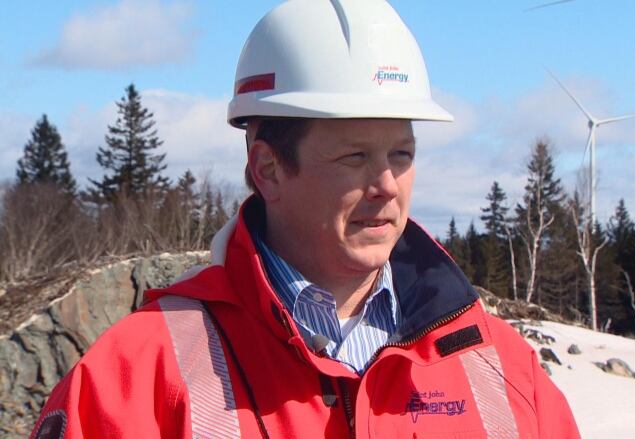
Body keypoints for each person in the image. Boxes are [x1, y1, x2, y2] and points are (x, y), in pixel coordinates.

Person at [31, 1, 580, 437]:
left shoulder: (499, 364)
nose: (387, 184)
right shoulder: (137, 376)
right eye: (354, 157)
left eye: (402, 155)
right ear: (267, 169)